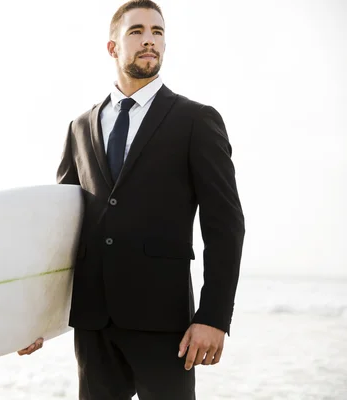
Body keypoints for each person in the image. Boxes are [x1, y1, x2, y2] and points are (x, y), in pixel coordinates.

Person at [18, 1, 245, 399]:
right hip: (93, 325)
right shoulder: (80, 127)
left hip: (164, 324)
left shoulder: (196, 120)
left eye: (158, 33)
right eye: (137, 31)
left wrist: (213, 317)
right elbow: (62, 230)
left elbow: (225, 226)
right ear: (112, 48)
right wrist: (38, 317)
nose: (149, 41)